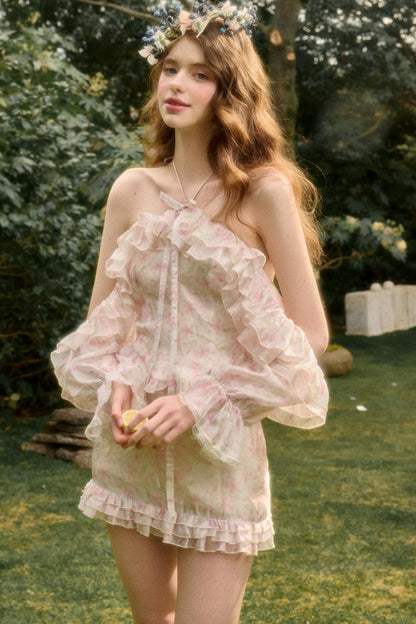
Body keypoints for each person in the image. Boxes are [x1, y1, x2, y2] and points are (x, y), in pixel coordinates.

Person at [52, 3, 329, 623]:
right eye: (171, 69)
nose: (177, 84)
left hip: (219, 455)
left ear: (230, 91)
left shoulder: (263, 192)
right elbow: (102, 328)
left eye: (201, 74)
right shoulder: (131, 190)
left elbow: (310, 335)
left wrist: (200, 400)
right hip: (133, 452)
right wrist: (116, 382)